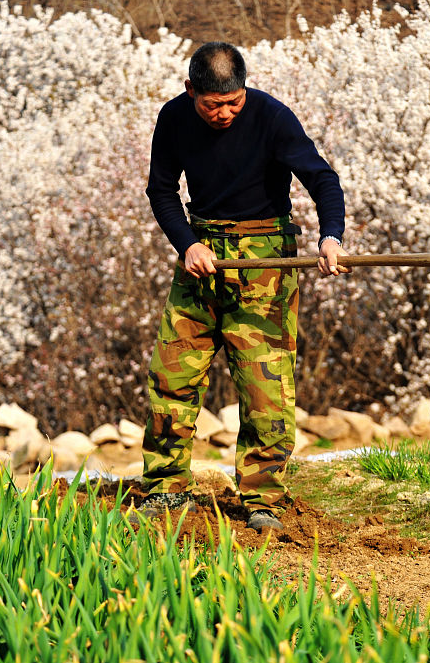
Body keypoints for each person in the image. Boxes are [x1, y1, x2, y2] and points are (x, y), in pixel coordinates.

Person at [139, 41, 349, 532]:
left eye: (234, 102)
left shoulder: (273, 117)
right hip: (202, 255)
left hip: (264, 257)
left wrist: (331, 235)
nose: (226, 113)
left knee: (264, 385)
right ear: (191, 90)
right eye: (214, 104)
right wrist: (186, 243)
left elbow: (322, 178)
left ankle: (263, 500)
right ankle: (166, 488)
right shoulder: (173, 118)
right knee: (171, 376)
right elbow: (162, 189)